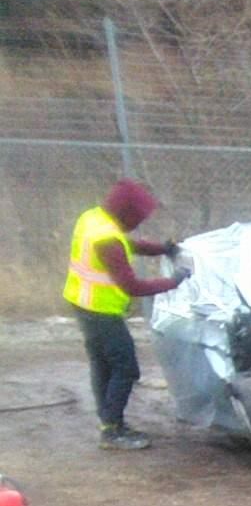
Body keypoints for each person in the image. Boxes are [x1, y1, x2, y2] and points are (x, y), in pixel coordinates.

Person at [63, 179, 187, 450]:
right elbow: (132, 286)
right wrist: (173, 281)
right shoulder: (107, 239)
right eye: (137, 218)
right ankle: (113, 430)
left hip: (83, 303)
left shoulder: (94, 219)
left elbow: (127, 244)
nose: (137, 223)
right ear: (126, 212)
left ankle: (108, 422)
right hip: (100, 311)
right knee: (125, 367)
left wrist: (162, 248)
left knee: (103, 364)